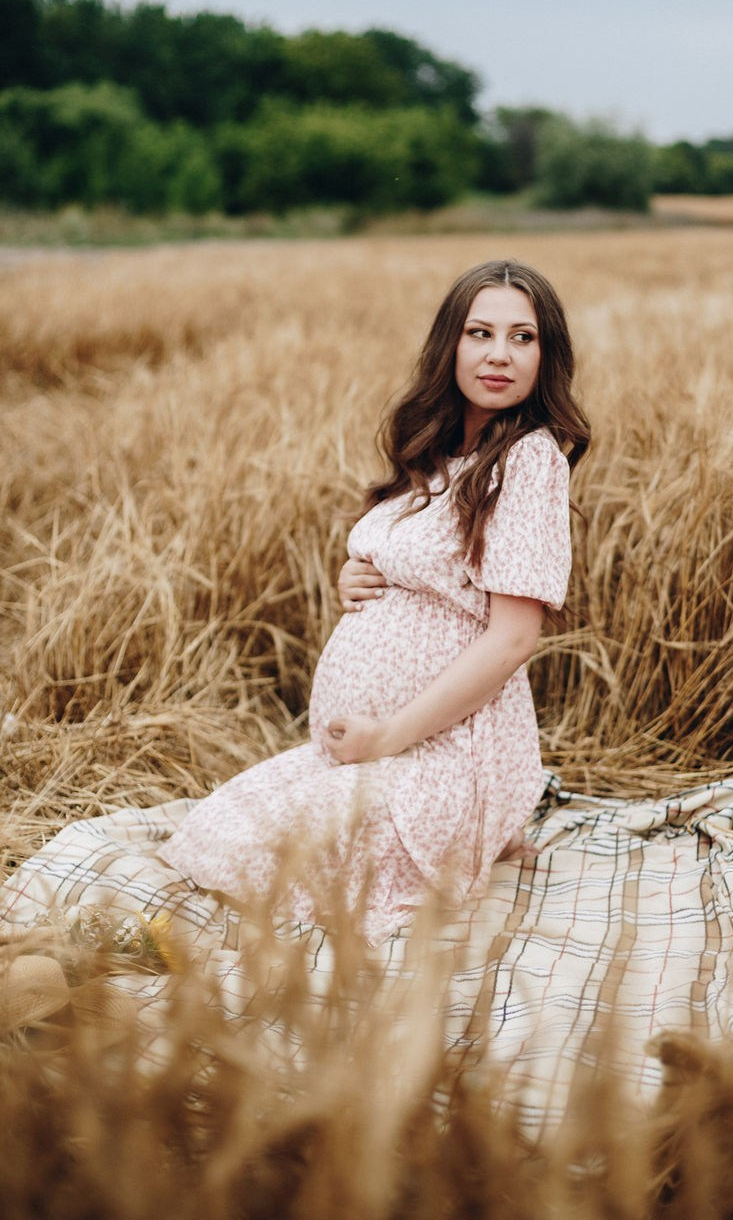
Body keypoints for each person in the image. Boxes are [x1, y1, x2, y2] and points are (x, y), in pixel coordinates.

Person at [159, 261, 590, 945]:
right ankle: (486, 832)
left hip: (438, 751)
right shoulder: (440, 450)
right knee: (223, 829)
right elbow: (426, 564)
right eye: (480, 333)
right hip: (378, 750)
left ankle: (480, 823)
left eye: (523, 337)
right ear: (450, 343)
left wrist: (388, 736)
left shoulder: (527, 461)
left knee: (270, 860)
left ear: (546, 355)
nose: (499, 355)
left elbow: (513, 638)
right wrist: (357, 577)